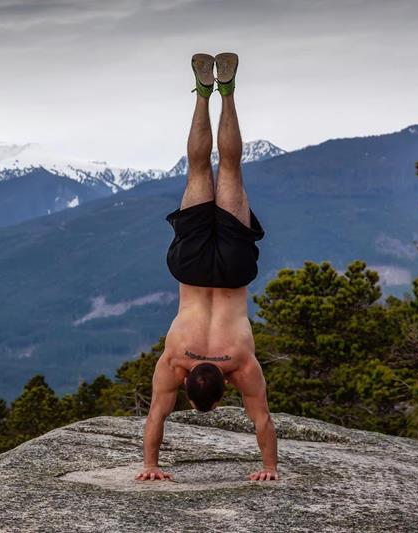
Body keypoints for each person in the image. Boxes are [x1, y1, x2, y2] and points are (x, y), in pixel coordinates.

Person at [135, 52, 278, 483]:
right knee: (199, 169)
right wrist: (149, 464)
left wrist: (269, 467)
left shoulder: (241, 364)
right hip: (191, 268)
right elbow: (157, 417)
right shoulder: (177, 361)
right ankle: (207, 93)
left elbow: (263, 422)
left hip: (234, 271)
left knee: (228, 168)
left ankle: (221, 93)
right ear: (189, 382)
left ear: (223, 387)